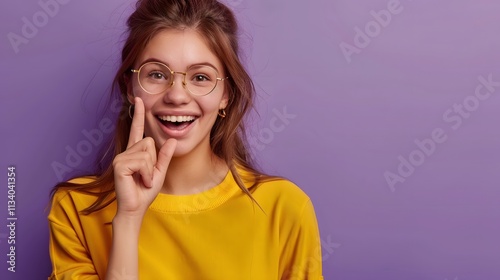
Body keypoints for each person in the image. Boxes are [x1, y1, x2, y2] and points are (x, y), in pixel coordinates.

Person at [47, 0, 323, 279]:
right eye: (156, 74)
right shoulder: (74, 208)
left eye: (201, 77)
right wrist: (128, 220)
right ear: (130, 89)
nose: (177, 96)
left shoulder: (284, 208)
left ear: (225, 94)